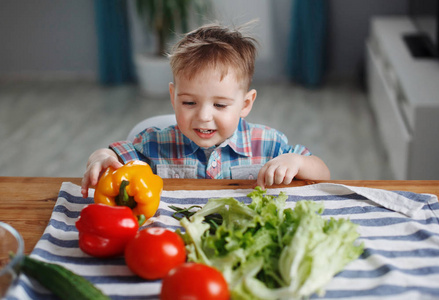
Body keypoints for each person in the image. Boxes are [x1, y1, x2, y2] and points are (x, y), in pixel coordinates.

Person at [81, 23, 330, 198]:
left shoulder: (268, 144)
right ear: (173, 96)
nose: (203, 116)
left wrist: (296, 162)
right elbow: (113, 157)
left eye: (220, 105)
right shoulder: (154, 143)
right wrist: (99, 157)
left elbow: (322, 174)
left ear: (245, 104)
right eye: (189, 103)